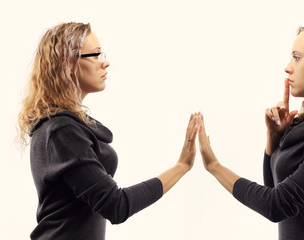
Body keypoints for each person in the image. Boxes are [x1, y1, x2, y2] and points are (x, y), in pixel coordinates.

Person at [17, 22, 200, 240]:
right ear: (68, 63)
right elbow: (116, 206)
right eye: (95, 55)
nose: (106, 62)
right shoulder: (60, 131)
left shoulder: (68, 126)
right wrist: (181, 166)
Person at [198, 23, 304, 240]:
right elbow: (273, 188)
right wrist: (274, 139)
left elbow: (276, 206)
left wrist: (214, 166)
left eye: (297, 57)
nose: (288, 67)